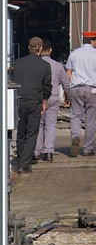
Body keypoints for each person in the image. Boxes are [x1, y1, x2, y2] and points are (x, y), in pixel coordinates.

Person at [65, 30, 96, 157]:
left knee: (75, 116)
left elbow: (68, 75)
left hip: (76, 89)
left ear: (83, 40)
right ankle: (87, 149)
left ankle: (75, 136)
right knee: (91, 119)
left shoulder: (74, 54)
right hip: (92, 90)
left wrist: (65, 91)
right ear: (93, 41)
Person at [11, 37, 52, 174]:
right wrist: (44, 101)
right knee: (32, 133)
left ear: (29, 48)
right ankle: (24, 164)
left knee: (21, 131)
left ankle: (21, 159)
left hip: (20, 99)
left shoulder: (18, 62)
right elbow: (47, 86)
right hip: (35, 101)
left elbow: (13, 80)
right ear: (40, 49)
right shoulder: (45, 66)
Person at [34, 40, 70, 162]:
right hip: (53, 98)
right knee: (50, 125)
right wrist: (68, 97)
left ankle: (36, 151)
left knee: (38, 125)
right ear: (50, 50)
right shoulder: (58, 66)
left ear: (39, 50)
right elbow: (66, 82)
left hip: (38, 98)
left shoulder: (36, 64)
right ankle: (49, 152)